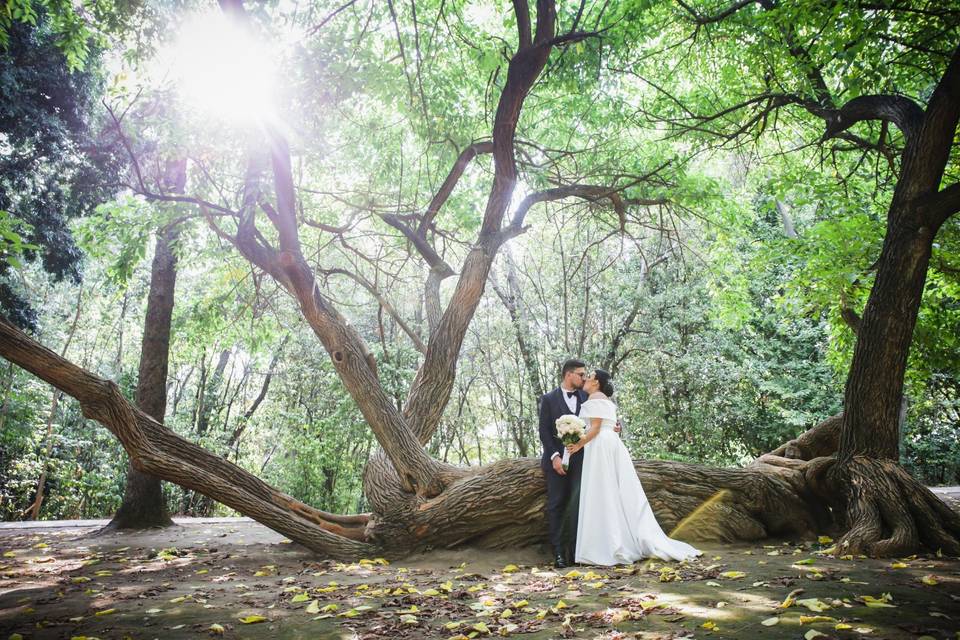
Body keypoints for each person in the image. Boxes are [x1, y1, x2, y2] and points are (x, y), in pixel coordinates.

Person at [566, 369, 702, 565]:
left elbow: (595, 427)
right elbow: (606, 425)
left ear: (596, 383)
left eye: (590, 376)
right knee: (614, 490)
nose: (586, 379)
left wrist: (577, 445)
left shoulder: (595, 396)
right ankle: (617, 539)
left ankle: (609, 545)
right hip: (610, 443)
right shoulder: (606, 399)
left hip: (600, 445)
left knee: (603, 491)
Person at [538, 359, 588, 568]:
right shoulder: (548, 399)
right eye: (581, 374)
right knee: (556, 505)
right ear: (569, 375)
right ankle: (558, 553)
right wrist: (554, 457)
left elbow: (597, 422)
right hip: (556, 462)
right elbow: (544, 432)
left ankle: (576, 553)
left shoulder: (586, 397)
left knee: (578, 505)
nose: (584, 378)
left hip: (582, 461)